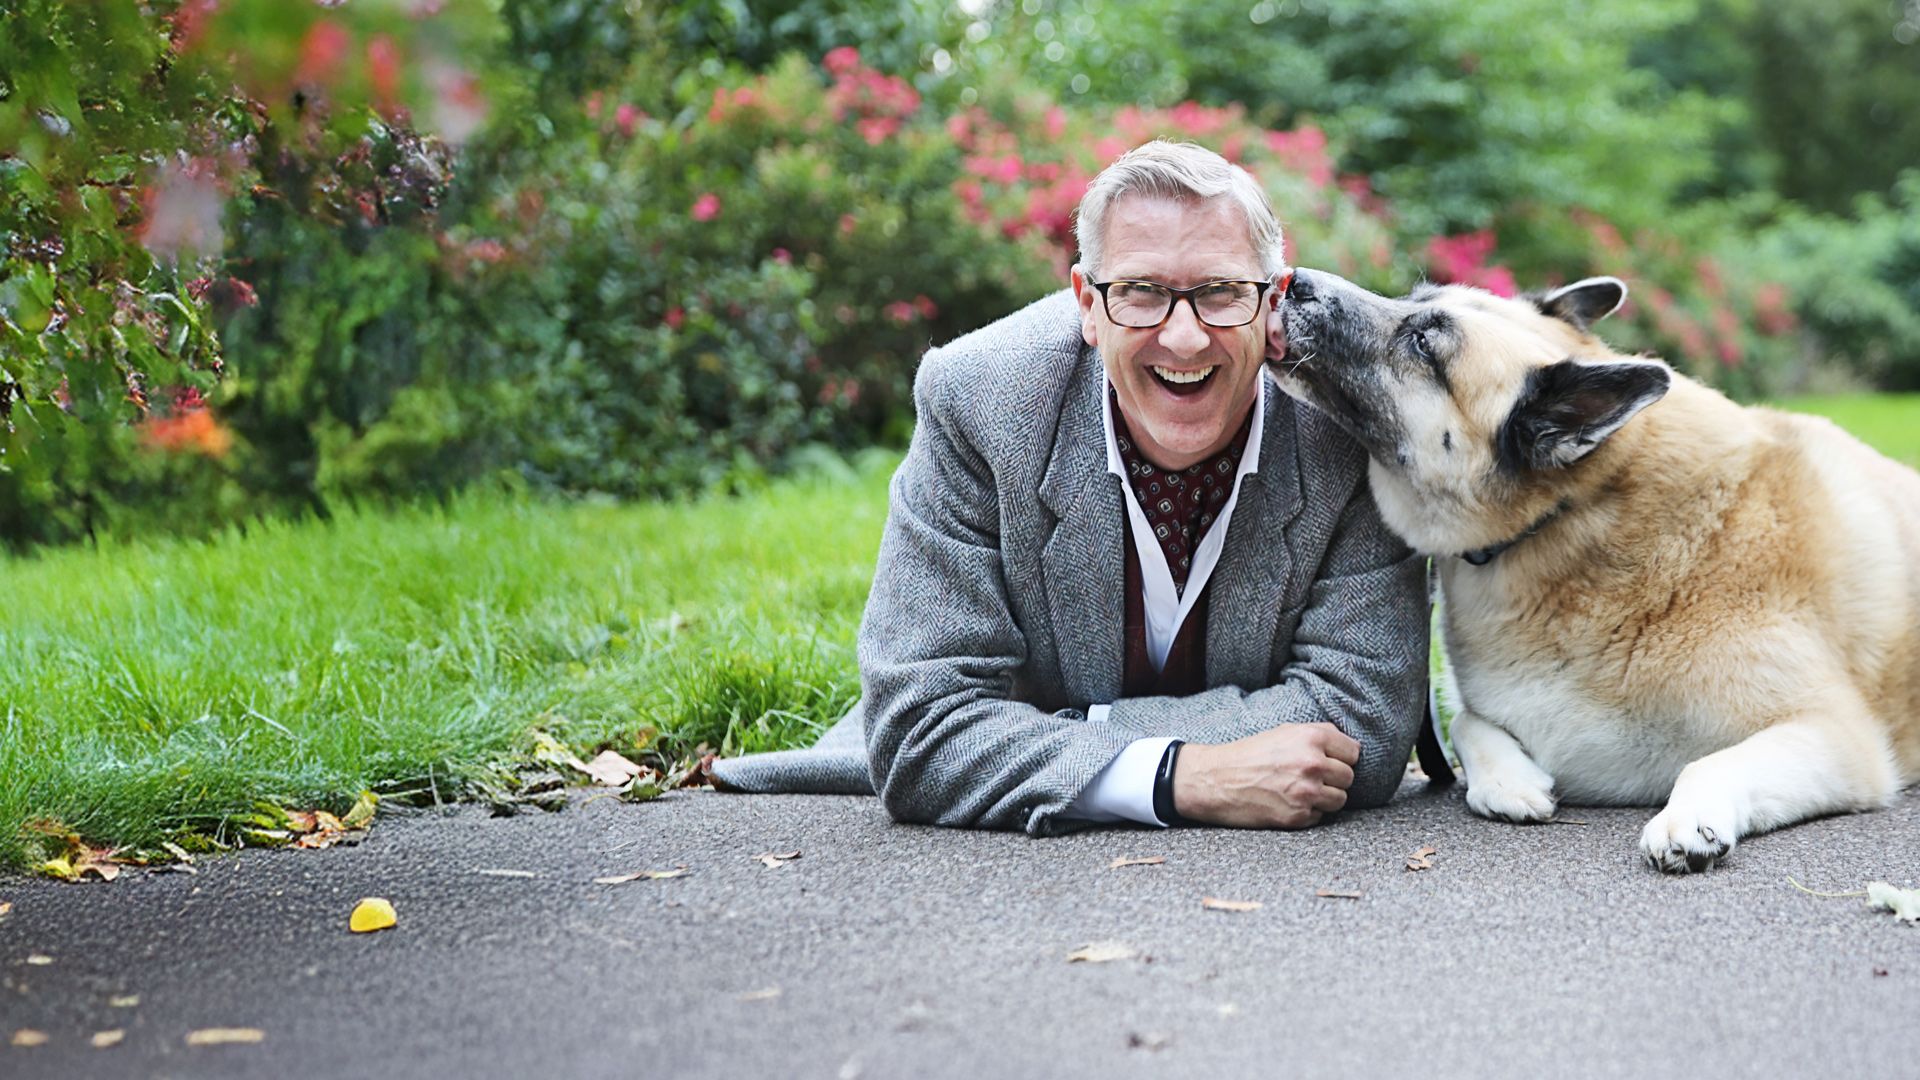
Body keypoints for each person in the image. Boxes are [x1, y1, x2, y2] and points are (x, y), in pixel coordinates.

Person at [709, 139, 1439, 834]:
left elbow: (1364, 721)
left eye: (1219, 293)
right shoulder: (978, 401)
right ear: (1088, 304)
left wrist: (1047, 736)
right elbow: (921, 731)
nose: (1183, 338)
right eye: (1142, 293)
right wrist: (1179, 774)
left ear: (1273, 299)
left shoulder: (1347, 426)